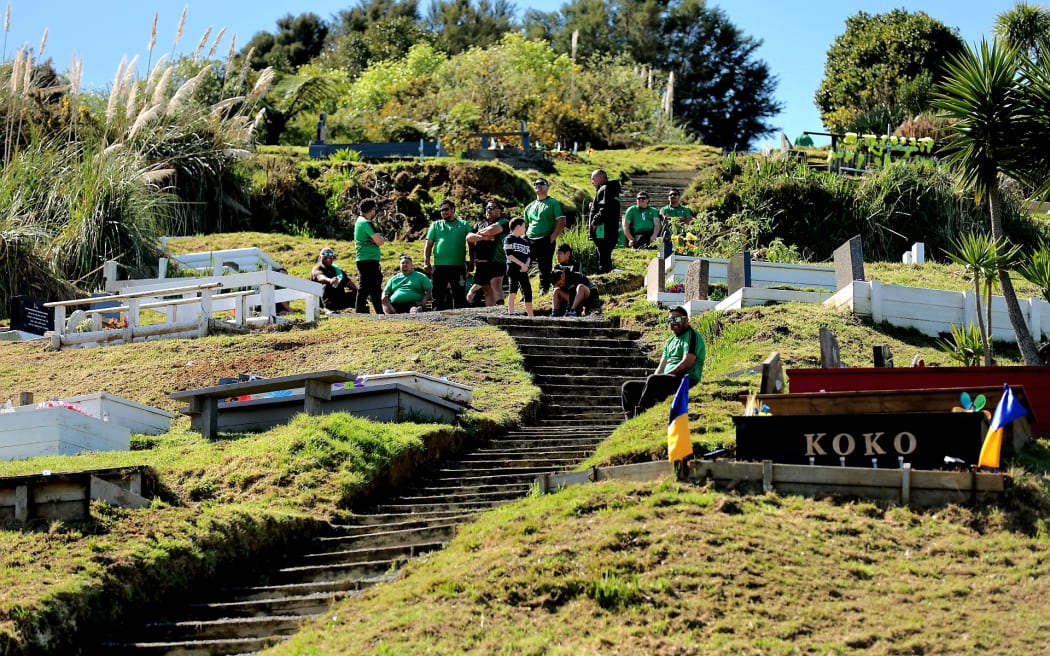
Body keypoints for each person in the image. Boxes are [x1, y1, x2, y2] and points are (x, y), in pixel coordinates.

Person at [621, 306, 705, 420]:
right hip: (666, 380)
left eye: (677, 319)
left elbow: (687, 364)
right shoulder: (669, 342)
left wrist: (662, 376)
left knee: (654, 380)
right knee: (628, 387)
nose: (674, 323)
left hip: (687, 381)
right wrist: (649, 384)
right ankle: (630, 422)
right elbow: (661, 367)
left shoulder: (692, 336)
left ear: (686, 320)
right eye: (670, 320)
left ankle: (640, 416)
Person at [424, 199, 471, 310]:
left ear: (453, 209)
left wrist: (472, 261)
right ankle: (435, 319)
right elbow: (428, 245)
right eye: (441, 210)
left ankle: (461, 321)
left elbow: (471, 244)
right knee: (438, 295)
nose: (444, 212)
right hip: (439, 266)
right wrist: (426, 262)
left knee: (459, 295)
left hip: (458, 266)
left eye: (446, 209)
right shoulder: (435, 225)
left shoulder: (464, 224)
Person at [523, 178, 566, 294]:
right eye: (536, 184)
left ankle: (544, 289)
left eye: (542, 183)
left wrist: (552, 238)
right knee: (524, 266)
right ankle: (524, 292)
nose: (539, 185)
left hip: (546, 239)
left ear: (547, 187)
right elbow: (525, 225)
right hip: (530, 239)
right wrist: (523, 238)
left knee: (545, 267)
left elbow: (562, 221)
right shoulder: (529, 207)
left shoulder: (553, 203)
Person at [466, 200, 509, 306]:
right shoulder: (480, 223)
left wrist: (478, 235)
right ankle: (490, 313)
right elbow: (468, 237)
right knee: (486, 289)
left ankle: (500, 310)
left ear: (499, 210)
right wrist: (484, 237)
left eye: (492, 208)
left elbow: (492, 230)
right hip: (482, 261)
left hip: (497, 259)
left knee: (496, 285)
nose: (488, 210)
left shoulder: (503, 221)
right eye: (487, 208)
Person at [354, 198, 387, 314]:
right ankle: (360, 312)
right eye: (374, 210)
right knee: (368, 287)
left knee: (372, 287)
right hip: (369, 260)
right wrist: (381, 239)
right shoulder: (366, 223)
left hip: (364, 259)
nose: (375, 212)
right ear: (371, 210)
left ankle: (378, 312)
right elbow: (379, 241)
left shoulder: (359, 221)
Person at [588, 168, 621, 274]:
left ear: (601, 177)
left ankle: (604, 276)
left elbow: (605, 209)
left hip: (603, 230)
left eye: (593, 178)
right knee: (604, 254)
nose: (592, 181)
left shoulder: (605, 188)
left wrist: (595, 221)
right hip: (610, 229)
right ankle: (605, 274)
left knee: (603, 255)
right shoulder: (611, 189)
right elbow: (607, 206)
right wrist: (593, 206)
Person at [310, 248, 358, 313]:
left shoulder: (336, 269)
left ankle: (362, 310)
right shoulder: (318, 268)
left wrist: (359, 292)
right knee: (326, 284)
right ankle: (327, 309)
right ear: (320, 257)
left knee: (358, 294)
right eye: (325, 254)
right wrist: (330, 280)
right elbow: (320, 277)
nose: (328, 256)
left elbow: (347, 282)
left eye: (330, 254)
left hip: (338, 299)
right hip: (323, 301)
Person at [504, 218, 534, 317]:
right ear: (518, 226)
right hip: (513, 268)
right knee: (513, 289)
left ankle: (531, 316)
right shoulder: (509, 238)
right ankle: (511, 313)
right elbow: (509, 255)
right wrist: (521, 264)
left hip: (523, 270)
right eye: (524, 226)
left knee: (527, 291)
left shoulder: (525, 241)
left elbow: (529, 255)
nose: (525, 228)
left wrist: (526, 265)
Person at [660, 188, 694, 258]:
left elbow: (688, 221)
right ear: (668, 198)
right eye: (670, 195)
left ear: (679, 197)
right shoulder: (664, 209)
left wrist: (672, 219)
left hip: (682, 232)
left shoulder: (686, 209)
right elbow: (665, 218)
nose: (672, 196)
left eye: (675, 194)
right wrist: (681, 219)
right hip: (668, 232)